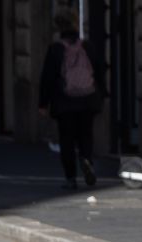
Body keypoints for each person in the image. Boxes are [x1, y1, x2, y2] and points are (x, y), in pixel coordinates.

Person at [38, 10, 106, 189]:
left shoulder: (56, 49)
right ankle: (86, 160)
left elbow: (47, 78)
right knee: (86, 135)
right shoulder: (87, 47)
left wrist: (43, 103)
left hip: (65, 102)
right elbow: (99, 72)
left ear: (59, 27)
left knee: (66, 140)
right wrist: (101, 96)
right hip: (88, 100)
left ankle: (70, 178)